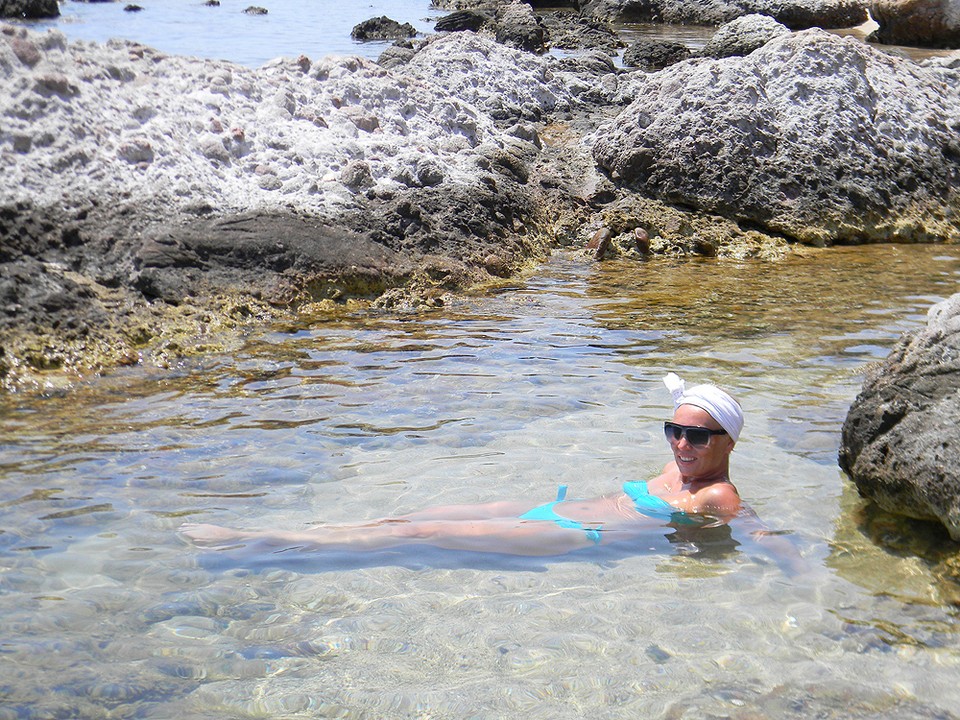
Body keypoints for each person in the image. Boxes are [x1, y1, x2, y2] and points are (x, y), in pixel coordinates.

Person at [181, 372, 755, 558]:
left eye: (697, 436)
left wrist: (788, 560)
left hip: (576, 533)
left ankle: (256, 538)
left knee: (423, 531)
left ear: (726, 442)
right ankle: (312, 534)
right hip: (554, 508)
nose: (681, 443)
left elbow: (735, 528)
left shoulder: (716, 495)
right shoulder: (682, 469)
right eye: (673, 430)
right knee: (413, 513)